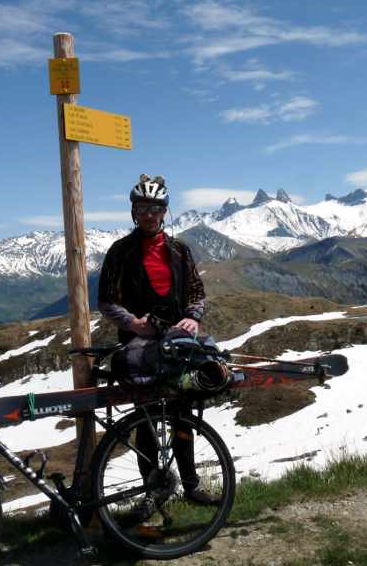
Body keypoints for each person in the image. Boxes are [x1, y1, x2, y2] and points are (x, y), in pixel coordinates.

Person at [97, 173, 218, 512]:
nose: (148, 215)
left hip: (176, 342)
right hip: (140, 344)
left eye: (154, 208)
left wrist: (192, 316)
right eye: (141, 209)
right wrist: (133, 323)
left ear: (164, 211)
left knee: (182, 415)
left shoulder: (179, 250)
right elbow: (106, 301)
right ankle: (153, 491)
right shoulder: (120, 252)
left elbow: (196, 290)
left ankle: (191, 485)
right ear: (133, 213)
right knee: (147, 421)